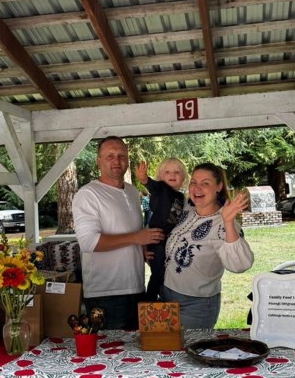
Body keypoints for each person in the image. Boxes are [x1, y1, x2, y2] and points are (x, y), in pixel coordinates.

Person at [72, 136, 165, 330]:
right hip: (106, 293)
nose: (117, 161)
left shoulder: (131, 191)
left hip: (137, 287)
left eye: (122, 156)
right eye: (110, 156)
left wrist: (142, 250)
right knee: (110, 353)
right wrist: (136, 238)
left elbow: (126, 233)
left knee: (138, 353)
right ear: (98, 160)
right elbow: (89, 243)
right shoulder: (88, 194)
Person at [162, 163, 254, 329]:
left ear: (218, 187)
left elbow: (240, 265)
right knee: (166, 350)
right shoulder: (187, 209)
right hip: (167, 295)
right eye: (193, 182)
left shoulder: (223, 222)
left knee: (186, 352)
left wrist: (228, 221)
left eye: (205, 183)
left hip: (197, 304)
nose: (197, 188)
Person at [134, 158, 187, 301]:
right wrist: (144, 179)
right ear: (160, 176)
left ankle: (161, 300)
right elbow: (153, 186)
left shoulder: (181, 197)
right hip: (157, 239)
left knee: (167, 273)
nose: (172, 175)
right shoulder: (162, 189)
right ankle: (149, 302)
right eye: (167, 172)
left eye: (177, 172)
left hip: (169, 240)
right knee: (159, 274)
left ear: (183, 178)